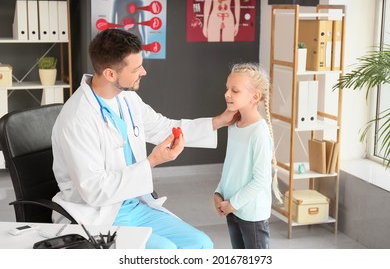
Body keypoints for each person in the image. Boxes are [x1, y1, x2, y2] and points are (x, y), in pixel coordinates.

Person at [51, 29, 238, 249]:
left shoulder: (127, 98)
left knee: (201, 244)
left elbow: (164, 127)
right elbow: (95, 191)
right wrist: (152, 162)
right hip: (99, 215)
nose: (144, 72)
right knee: (165, 251)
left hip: (135, 205)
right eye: (137, 68)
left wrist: (219, 121)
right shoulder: (77, 119)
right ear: (111, 74)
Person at [213, 63, 282, 249]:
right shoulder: (235, 126)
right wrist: (219, 192)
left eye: (235, 90)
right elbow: (231, 167)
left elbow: (261, 179)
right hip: (233, 209)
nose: (227, 94)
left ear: (255, 97)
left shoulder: (258, 132)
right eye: (227, 88)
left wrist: (232, 204)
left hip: (251, 215)